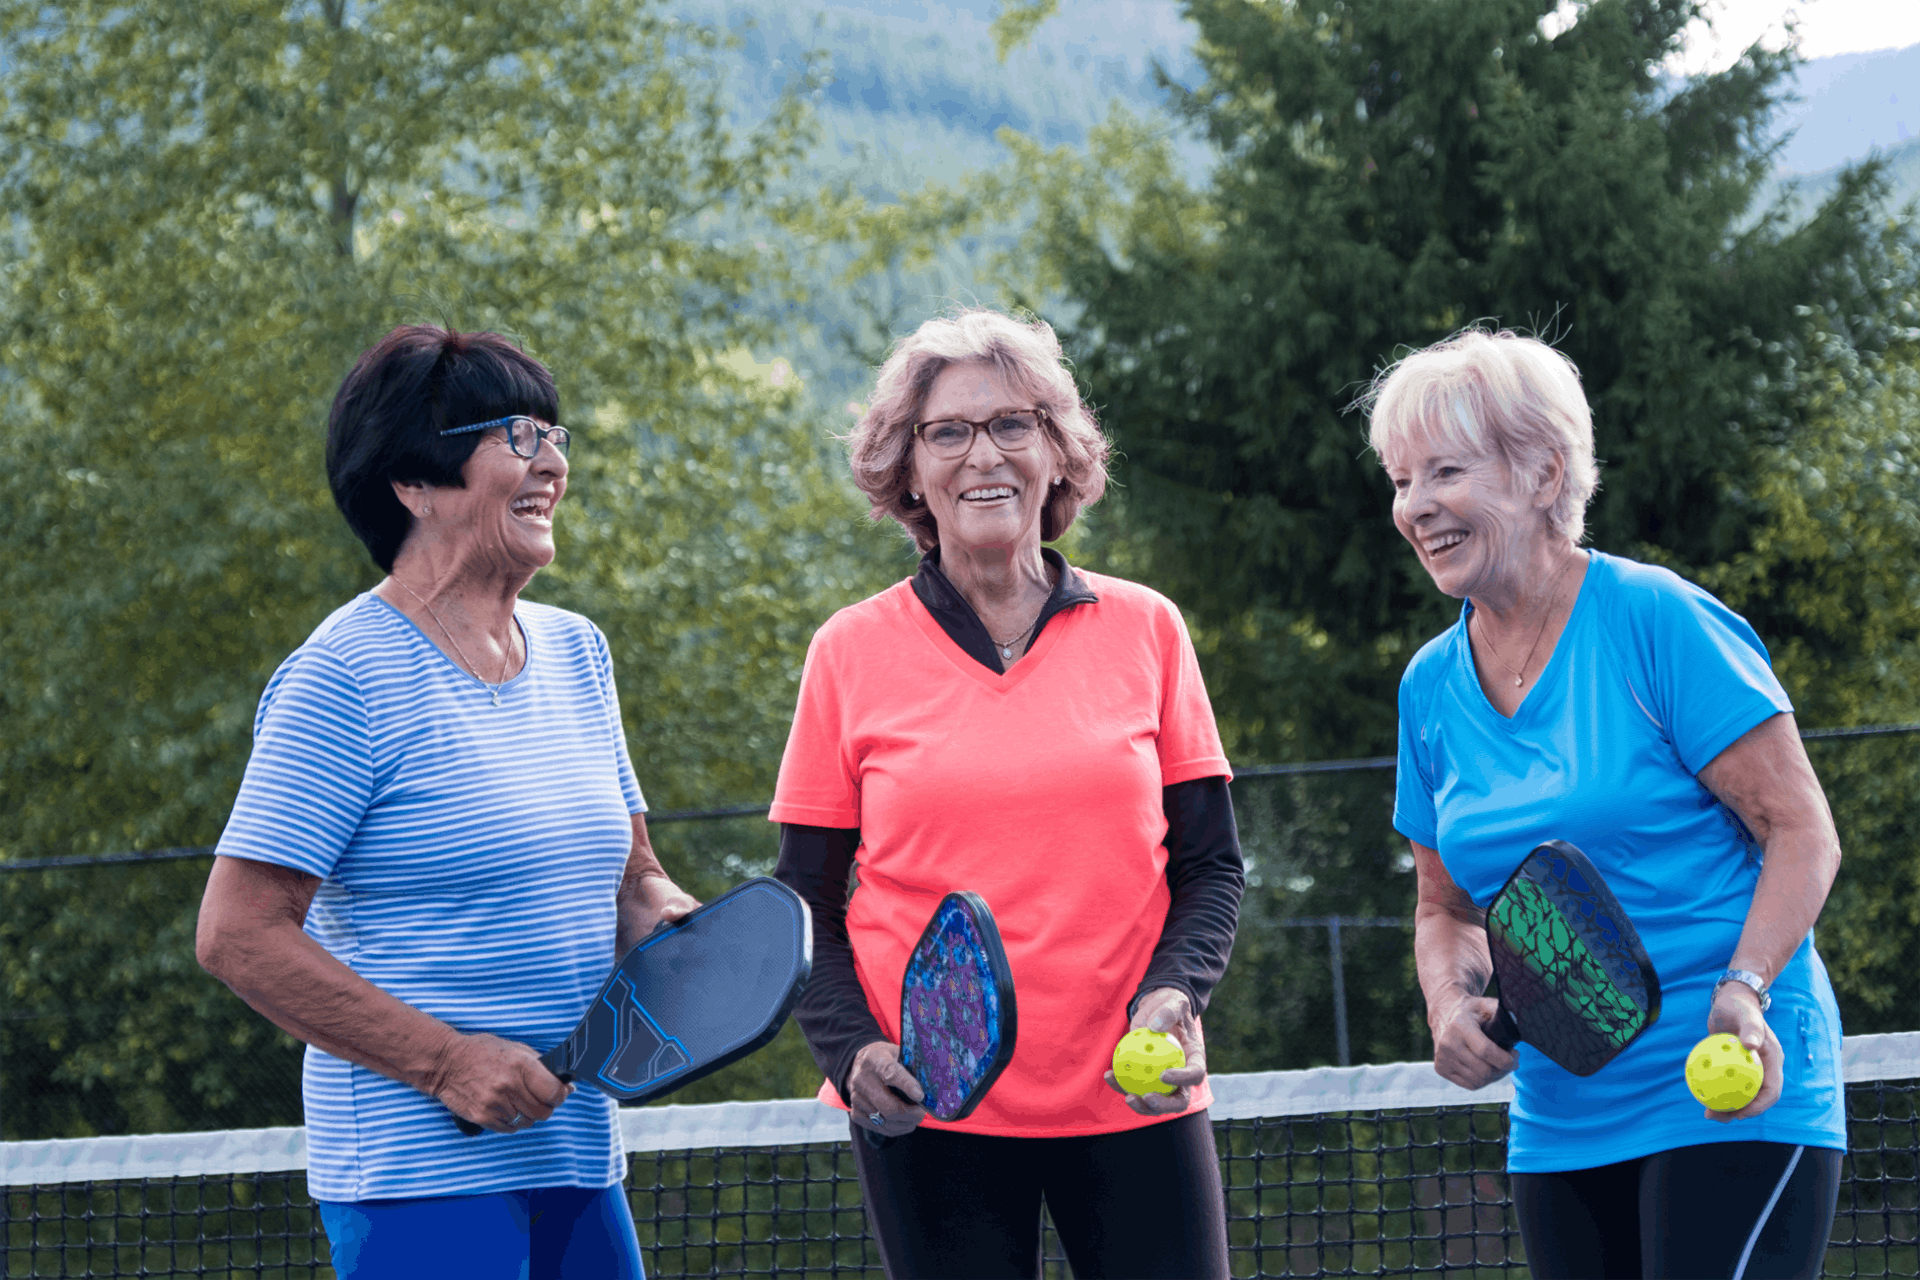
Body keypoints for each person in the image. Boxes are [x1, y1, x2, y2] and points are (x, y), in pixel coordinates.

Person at [195, 325, 697, 1279]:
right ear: (414, 483)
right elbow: (237, 933)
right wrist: (445, 1062)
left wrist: (686, 931)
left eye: (554, 435)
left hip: (579, 1155)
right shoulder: (341, 679)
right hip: (417, 1176)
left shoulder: (579, 652)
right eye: (516, 436)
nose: (551, 462)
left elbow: (634, 879)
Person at [770, 308, 1244, 1280]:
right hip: (930, 1106)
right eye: (948, 431)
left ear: (1058, 452)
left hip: (1132, 1096)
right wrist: (857, 1051)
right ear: (907, 469)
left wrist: (1172, 994)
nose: (983, 453)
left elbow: (1210, 865)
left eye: (1012, 424)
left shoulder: (1148, 629)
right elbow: (803, 905)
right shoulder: (848, 653)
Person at [1369, 328, 1847, 1279]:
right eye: (1399, 480)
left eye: (1444, 472)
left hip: (1732, 1085)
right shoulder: (1429, 687)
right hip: (1561, 1116)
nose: (1414, 507)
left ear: (1544, 473)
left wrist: (1745, 988)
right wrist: (1447, 1004)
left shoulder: (1657, 619)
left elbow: (1801, 831)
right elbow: (1446, 907)